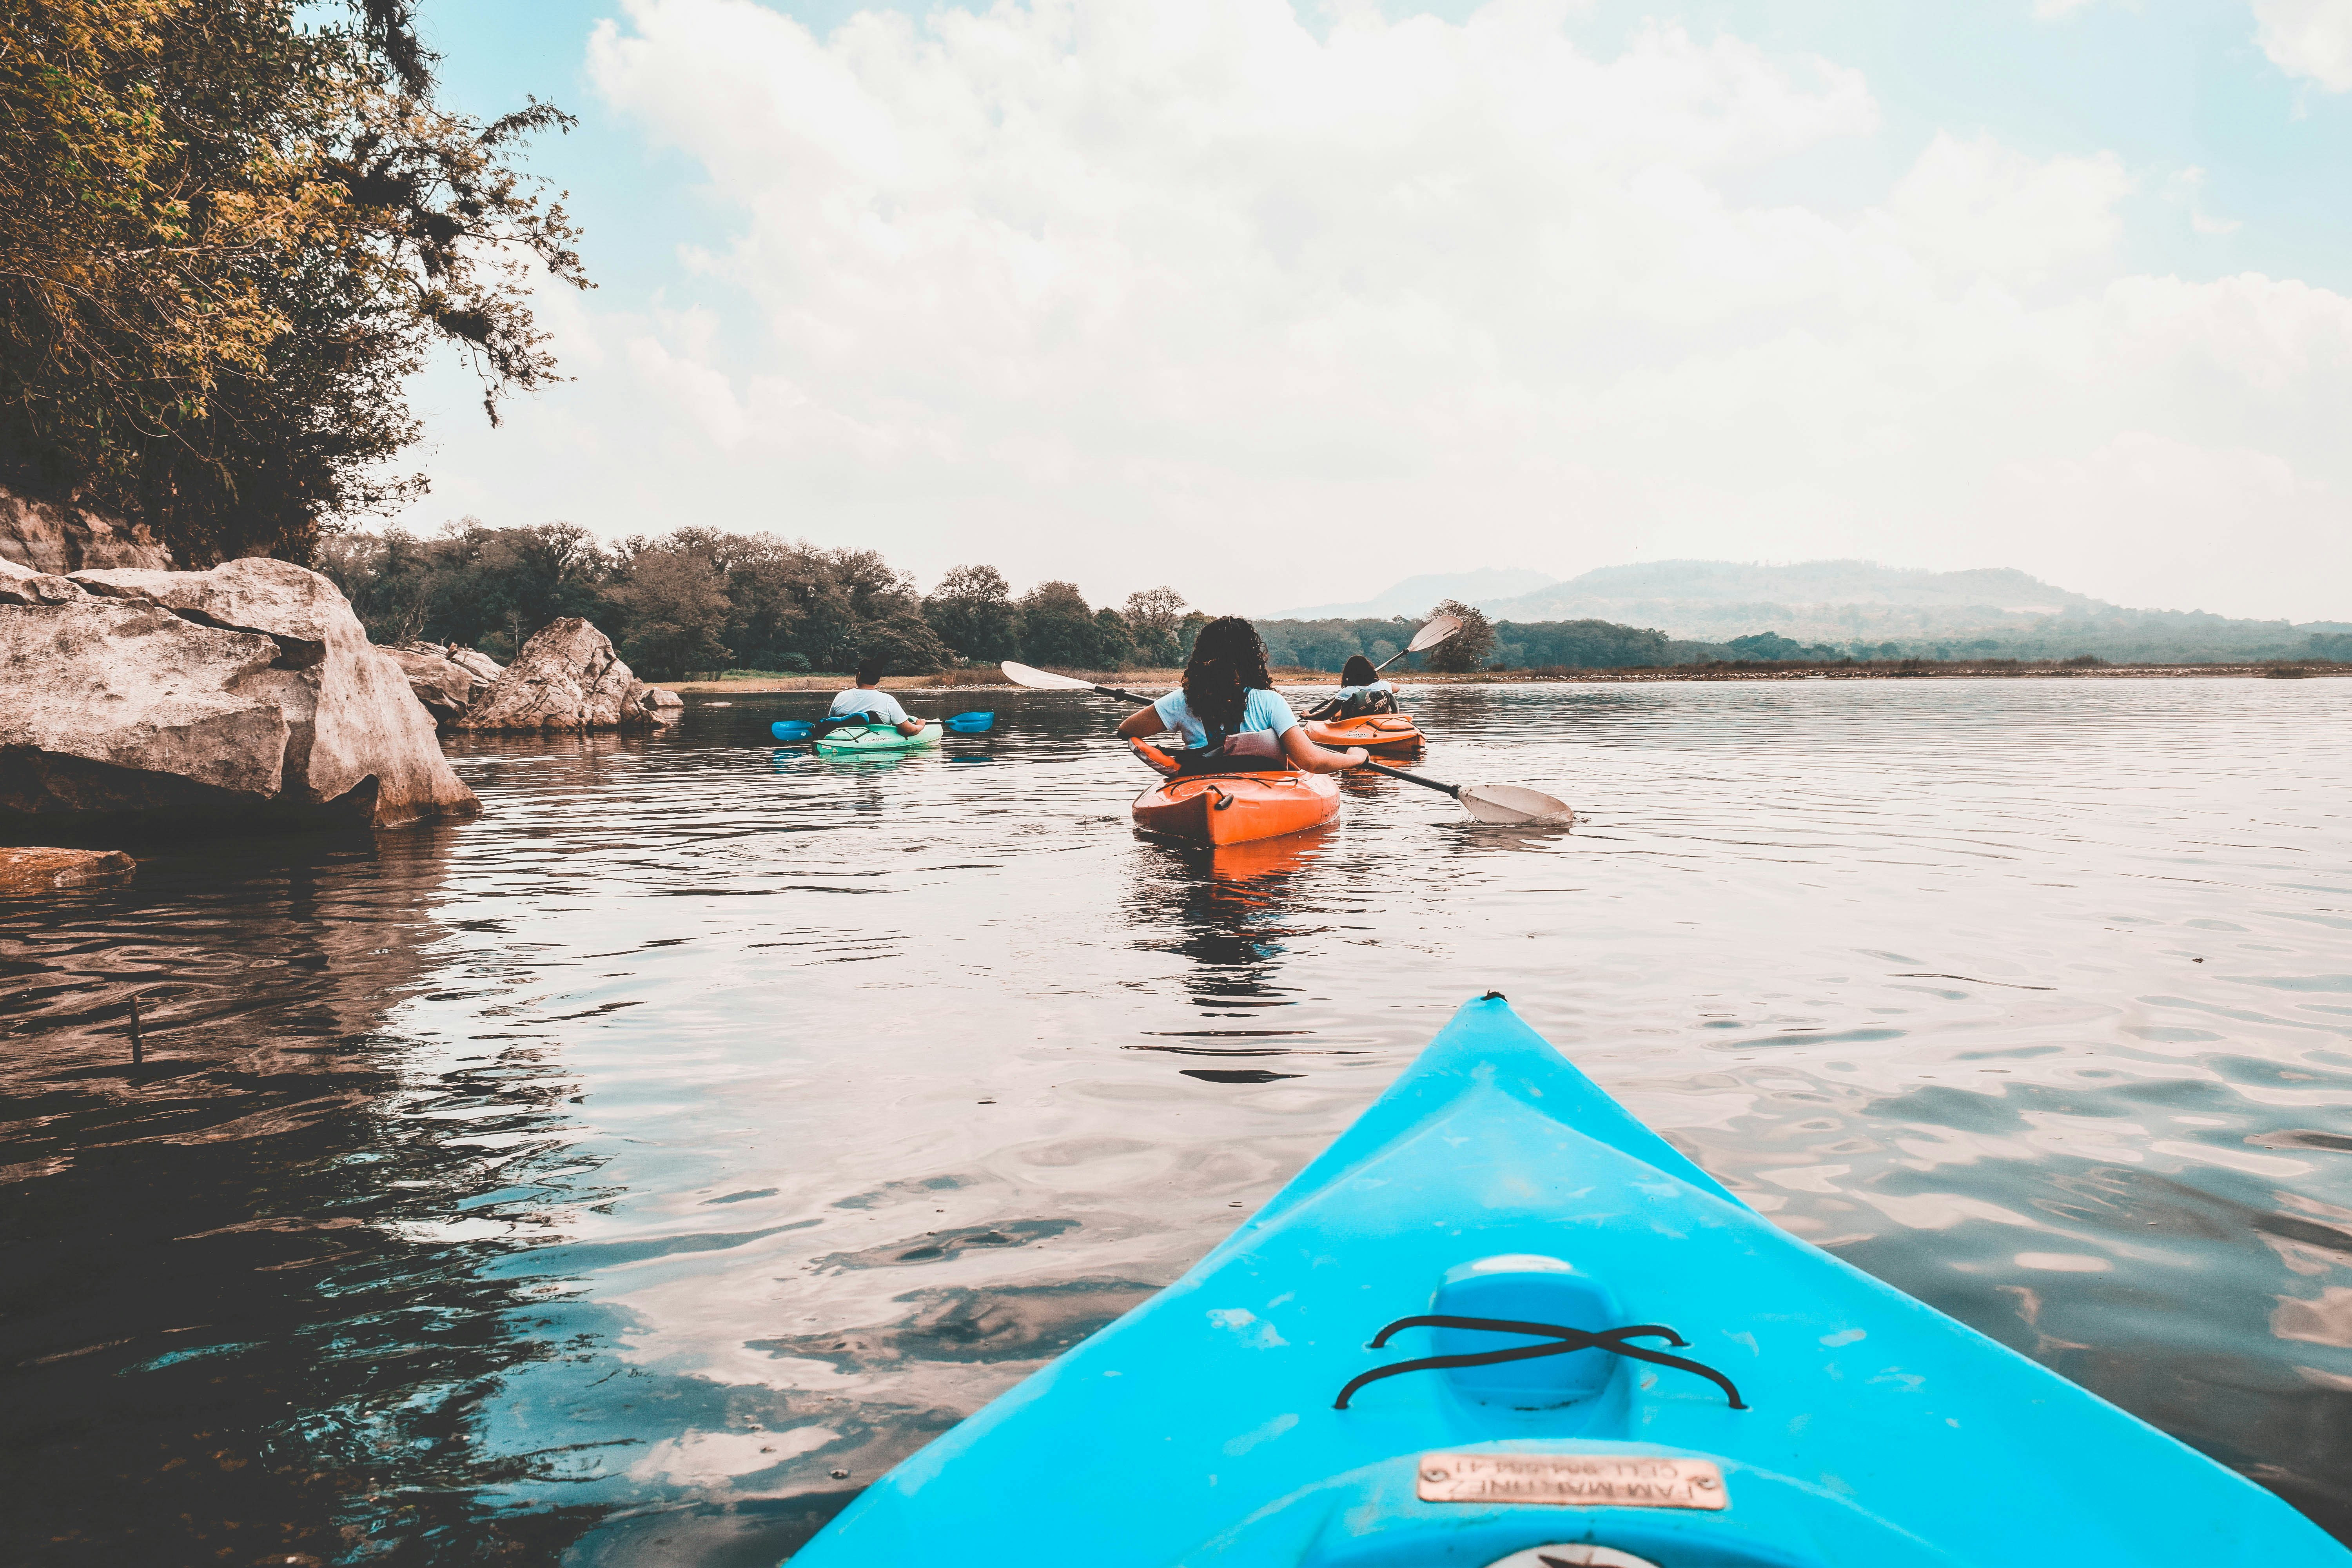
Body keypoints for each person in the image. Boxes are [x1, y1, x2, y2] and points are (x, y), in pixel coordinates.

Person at [1115, 617, 1366, 775]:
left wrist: (1169, 753)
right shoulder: (1270, 702)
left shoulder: (1181, 700)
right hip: (1263, 793)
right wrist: (1354, 758)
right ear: (1251, 659)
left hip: (1199, 786)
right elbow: (1312, 762)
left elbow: (1127, 730)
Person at [829, 656, 926, 736]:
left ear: (859, 675)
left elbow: (832, 721)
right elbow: (910, 731)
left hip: (842, 738)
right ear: (878, 679)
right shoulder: (888, 700)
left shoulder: (840, 696)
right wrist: (920, 726)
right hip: (875, 742)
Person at [1304, 654, 1400, 721]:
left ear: (1350, 674)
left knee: (1334, 716)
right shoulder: (1384, 686)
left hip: (1353, 726)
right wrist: (1377, 679)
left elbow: (1326, 715)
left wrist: (1308, 716)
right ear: (1370, 671)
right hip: (1380, 724)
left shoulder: (1347, 692)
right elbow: (1397, 688)